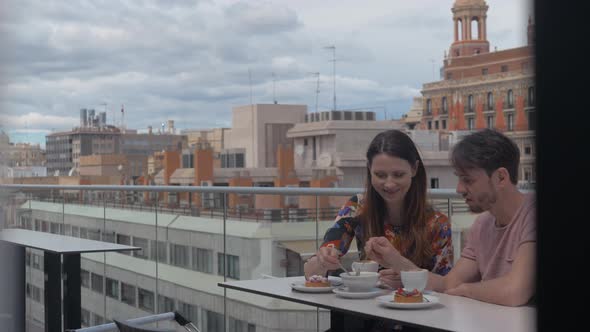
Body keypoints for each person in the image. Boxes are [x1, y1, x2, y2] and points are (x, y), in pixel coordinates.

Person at [303, 129, 454, 331]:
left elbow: (446, 286)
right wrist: (323, 261)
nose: (389, 183)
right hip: (364, 318)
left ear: (414, 169)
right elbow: (310, 273)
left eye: (398, 174)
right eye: (380, 175)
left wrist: (399, 265)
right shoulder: (357, 207)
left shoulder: (437, 223)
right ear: (369, 170)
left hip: (417, 322)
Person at [366, 129, 536, 307]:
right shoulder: (482, 225)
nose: (459, 189)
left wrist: (467, 290)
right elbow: (447, 284)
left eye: (468, 180)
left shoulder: (533, 215)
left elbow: (515, 291)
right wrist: (396, 261)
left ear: (501, 177)